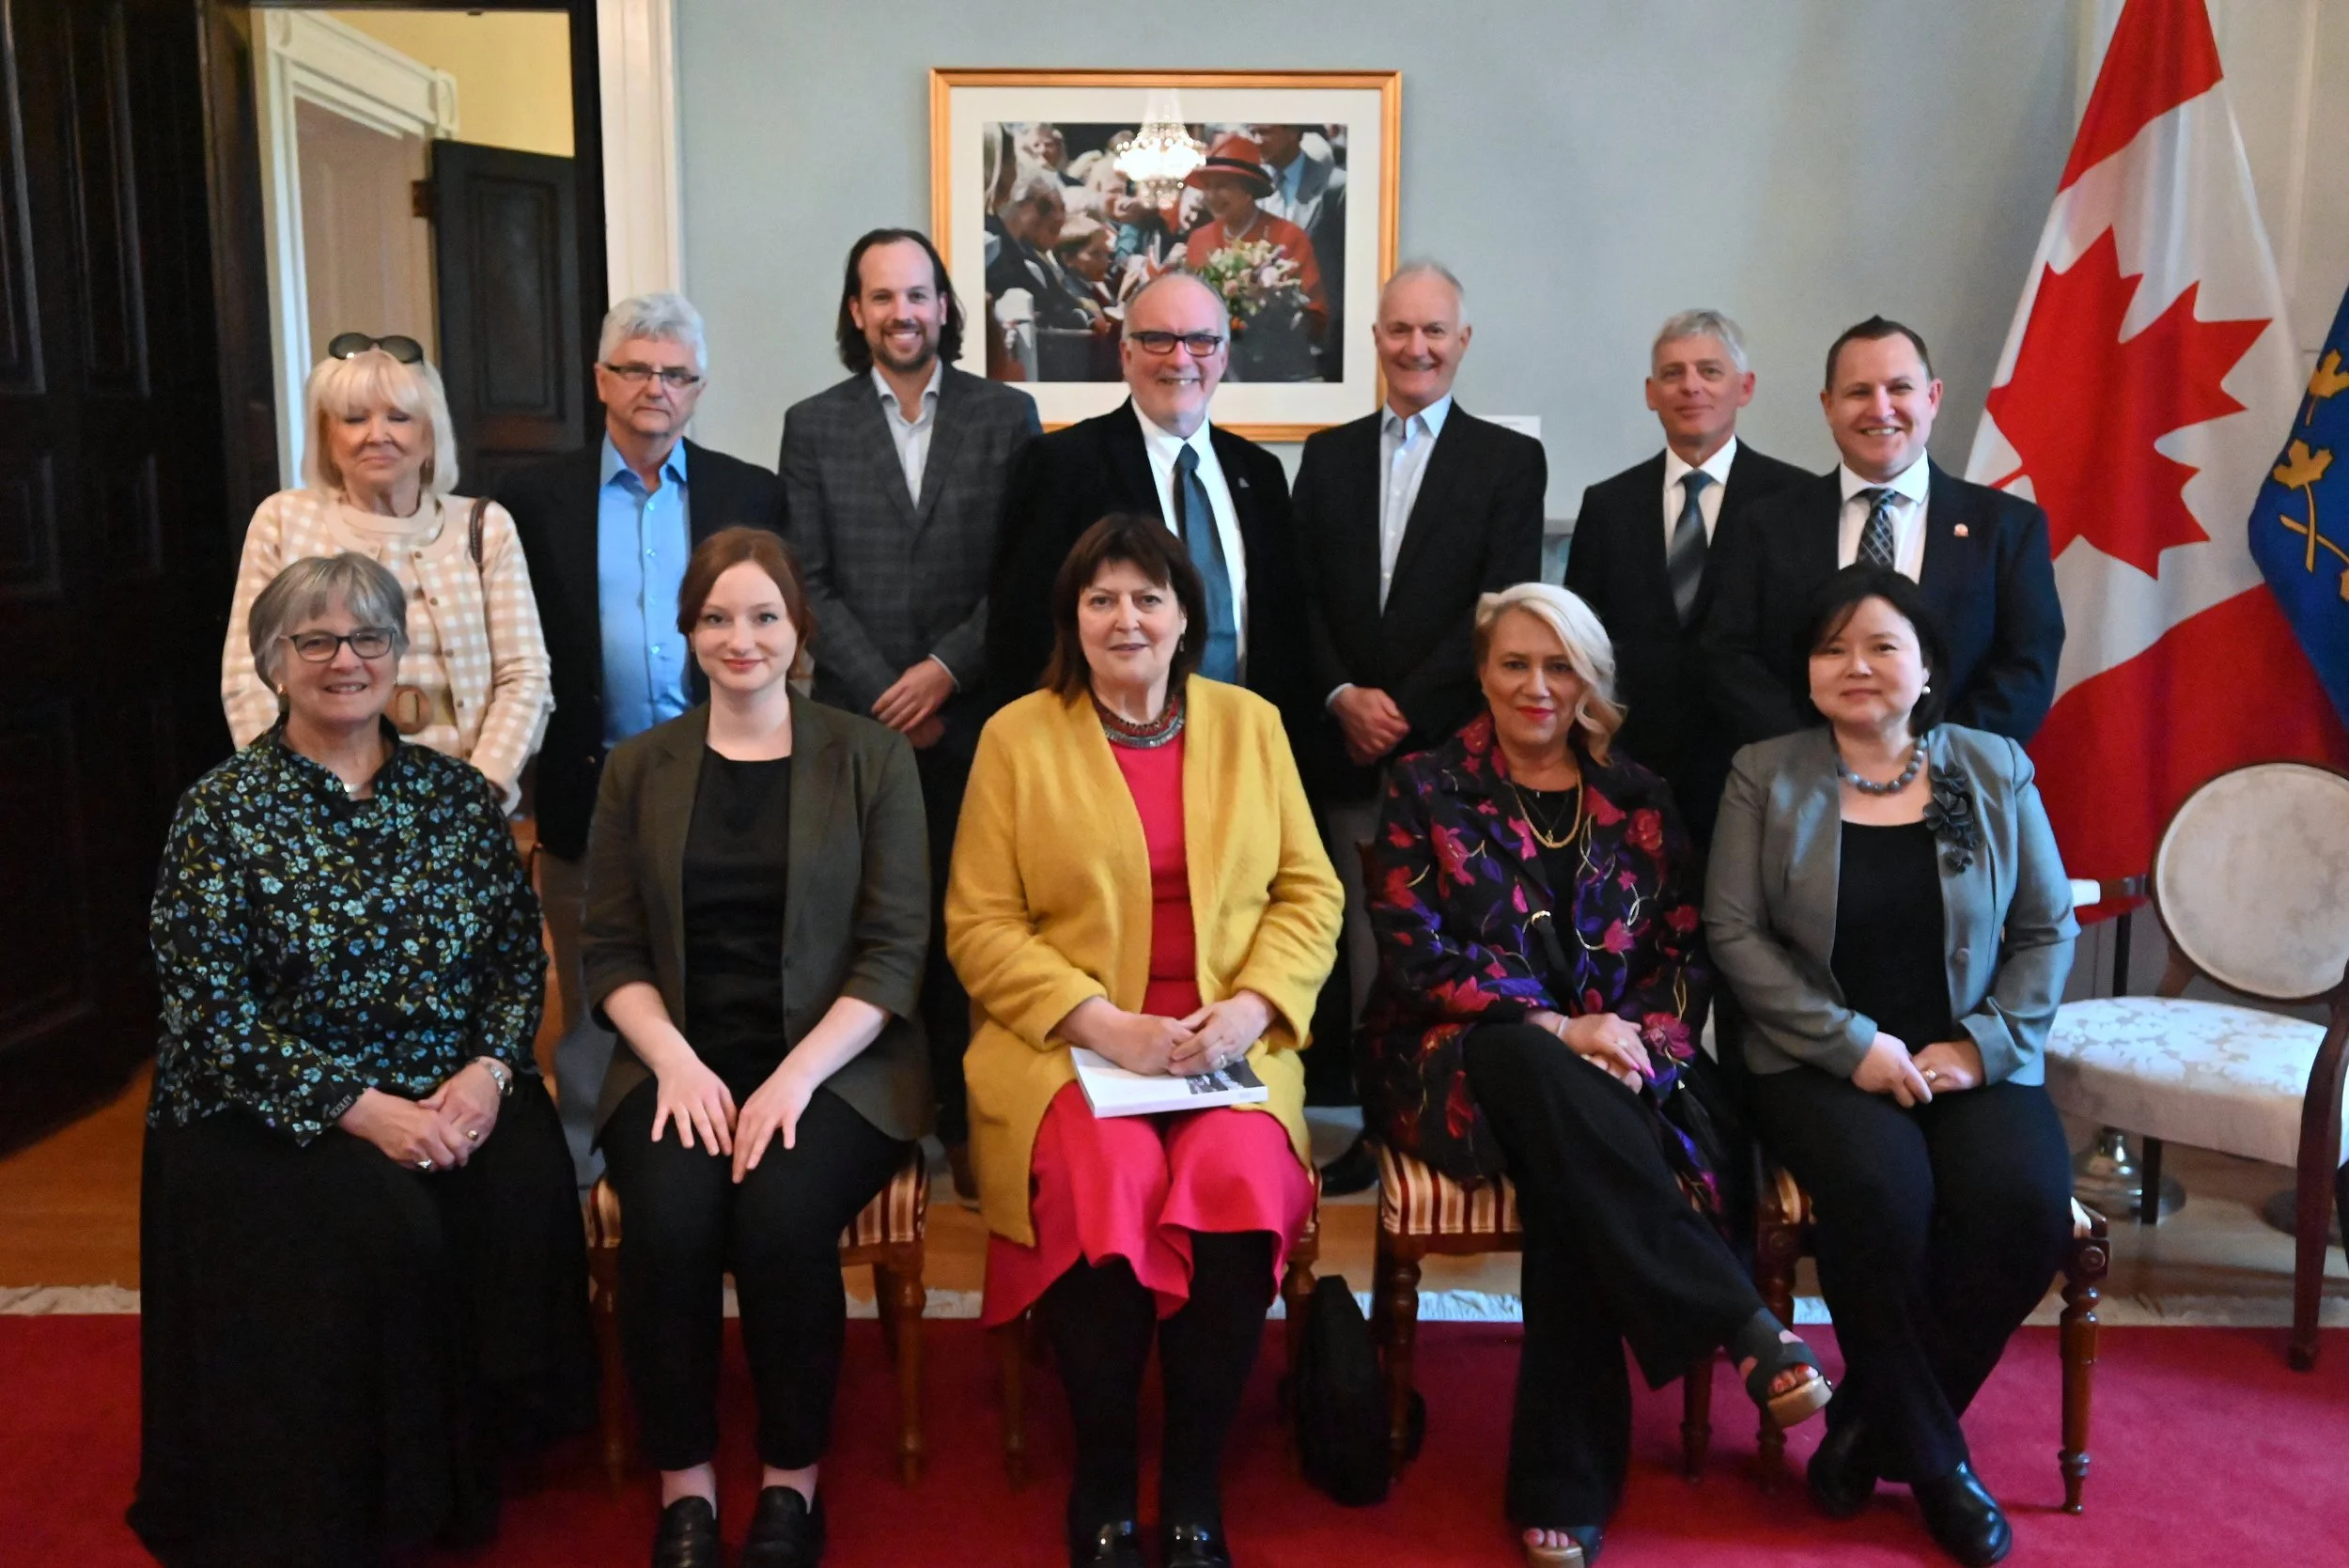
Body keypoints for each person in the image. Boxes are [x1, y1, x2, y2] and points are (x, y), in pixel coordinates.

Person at [133, 553, 593, 1567]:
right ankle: (381, 1490)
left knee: (524, 1173)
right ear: (273, 661)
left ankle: (493, 1443)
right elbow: (209, 1011)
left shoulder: (457, 797)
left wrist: (489, 1071)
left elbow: (516, 959)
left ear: (398, 653)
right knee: (385, 1219)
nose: (346, 660)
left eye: (368, 637)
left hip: (448, 1081)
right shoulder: (221, 811)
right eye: (316, 640)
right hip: (268, 1106)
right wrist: (358, 1106)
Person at [1358, 582, 1829, 1568]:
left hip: (1622, 1065)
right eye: (1514, 664)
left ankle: (1564, 1488)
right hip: (1455, 1057)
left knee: (1571, 1162)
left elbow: (1683, 949)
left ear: (1589, 681)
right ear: (1482, 674)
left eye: (1559, 666)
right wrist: (1561, 1027)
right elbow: (1415, 955)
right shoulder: (1425, 785)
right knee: (1533, 1062)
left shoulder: (1640, 796)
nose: (1537, 686)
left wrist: (1628, 1042)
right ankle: (1736, 1318)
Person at [948, 515, 1343, 1568]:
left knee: (1236, 1175)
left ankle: (1195, 1479)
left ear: (1184, 618)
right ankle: (1109, 1469)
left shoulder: (1251, 724)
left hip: (1227, 1044)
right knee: (1106, 1176)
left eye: (1147, 598)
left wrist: (1253, 1006)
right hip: (1069, 1043)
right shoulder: (1016, 738)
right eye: (1101, 600)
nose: (1125, 618)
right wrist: (1103, 1023)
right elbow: (980, 923)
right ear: (1072, 620)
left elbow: (1310, 891)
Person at [1705, 565, 2077, 1568]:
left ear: (1926, 669)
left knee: (2025, 1207)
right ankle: (1941, 1467)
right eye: (1832, 648)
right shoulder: (1764, 772)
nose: (1856, 666)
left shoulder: (1991, 767)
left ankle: (1868, 1428)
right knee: (1883, 1191)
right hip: (1815, 1059)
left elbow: (2047, 929)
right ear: (1808, 670)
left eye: (1881, 646)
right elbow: (1733, 934)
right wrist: (1851, 1045)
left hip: (1969, 1052)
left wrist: (1981, 1048)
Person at [582, 526, 930, 1568]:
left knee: (781, 1220)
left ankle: (790, 1479)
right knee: (672, 1221)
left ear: (799, 628)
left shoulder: (869, 756)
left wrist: (794, 1077)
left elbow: (895, 949)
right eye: (717, 617)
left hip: (838, 1067)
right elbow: (611, 950)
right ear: (688, 633)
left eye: (764, 615)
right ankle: (685, 1483)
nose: (742, 638)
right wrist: (677, 1062)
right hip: (675, 1060)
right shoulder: (637, 767)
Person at [781, 228, 1041, 1203]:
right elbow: (805, 577)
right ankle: (884, 1121)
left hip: (976, 722)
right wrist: (889, 691)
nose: (902, 313)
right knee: (872, 923)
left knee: (977, 925)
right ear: (856, 312)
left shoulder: (1006, 415)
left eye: (919, 295)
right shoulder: (813, 425)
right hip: (856, 728)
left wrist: (941, 672)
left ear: (944, 306)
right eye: (882, 297)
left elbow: (1022, 573)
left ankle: (972, 1122)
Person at [501, 292, 783, 1180]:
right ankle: (589, 1156)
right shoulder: (532, 500)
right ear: (600, 380)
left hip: (724, 777)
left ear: (699, 388)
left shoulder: (750, 493)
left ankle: (712, 1135)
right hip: (592, 779)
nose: (656, 388)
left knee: (717, 963)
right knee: (595, 974)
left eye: (676, 374)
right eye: (636, 370)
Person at [1290, 260, 1545, 1188]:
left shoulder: (1507, 461)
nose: (1416, 347)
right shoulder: (1326, 456)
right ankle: (1375, 1122)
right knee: (1363, 952)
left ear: (1461, 341)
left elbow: (1501, 607)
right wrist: (1341, 696)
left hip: (1451, 756)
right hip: (1344, 752)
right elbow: (1299, 596)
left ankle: (1450, 1119)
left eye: (1434, 330)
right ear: (1375, 339)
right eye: (1399, 329)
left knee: (1450, 949)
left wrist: (1402, 710)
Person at [221, 334, 551, 813]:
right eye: (355, 419)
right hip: (319, 809)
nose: (378, 435)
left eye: (399, 417)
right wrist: (296, 797)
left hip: (458, 802)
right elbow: (247, 675)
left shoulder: (485, 526)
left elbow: (525, 675)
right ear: (327, 436)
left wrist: (477, 793)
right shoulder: (283, 521)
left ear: (430, 435)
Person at [1703, 317, 2064, 747]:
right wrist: (1815, 757)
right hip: (1801, 775)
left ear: (1932, 397)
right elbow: (1729, 655)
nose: (1880, 409)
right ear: (1828, 406)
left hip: (1955, 776)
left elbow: (2028, 664)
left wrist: (1932, 759)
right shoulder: (1764, 524)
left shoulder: (2008, 527)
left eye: (1899, 388)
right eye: (1859, 392)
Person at [988, 271, 1304, 720]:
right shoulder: (1060, 465)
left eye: (1200, 340)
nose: (1180, 358)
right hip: (1103, 740)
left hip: (1242, 737)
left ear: (1223, 356)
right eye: (1158, 339)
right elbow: (1021, 629)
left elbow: (1285, 628)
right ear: (1126, 354)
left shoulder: (1260, 473)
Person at [1564, 309, 1810, 846]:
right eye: (1673, 373)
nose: (1690, 386)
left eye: (1710, 371)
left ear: (1745, 387)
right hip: (1631, 771)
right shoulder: (1607, 505)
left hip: (1758, 767)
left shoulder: (1798, 501)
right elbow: (1582, 642)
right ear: (1651, 393)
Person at [1180, 134, 1327, 383]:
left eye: (1222, 186)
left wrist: (1275, 307)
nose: (1211, 196)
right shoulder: (1198, 240)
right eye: (1208, 187)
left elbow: (1317, 317)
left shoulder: (1287, 236)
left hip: (1279, 371)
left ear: (1248, 190)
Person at [1249, 123, 1347, 380]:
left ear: (1293, 132)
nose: (1256, 140)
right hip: (1263, 346)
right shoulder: (1251, 187)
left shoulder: (1336, 187)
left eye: (1265, 132)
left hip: (1322, 344)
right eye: (1252, 132)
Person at [987, 167, 1093, 331]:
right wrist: (1084, 318)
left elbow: (1059, 302)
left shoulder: (1031, 254)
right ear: (1017, 201)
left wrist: (1086, 315)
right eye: (1044, 206)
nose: (1057, 216)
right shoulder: (995, 243)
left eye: (1062, 208)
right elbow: (1048, 308)